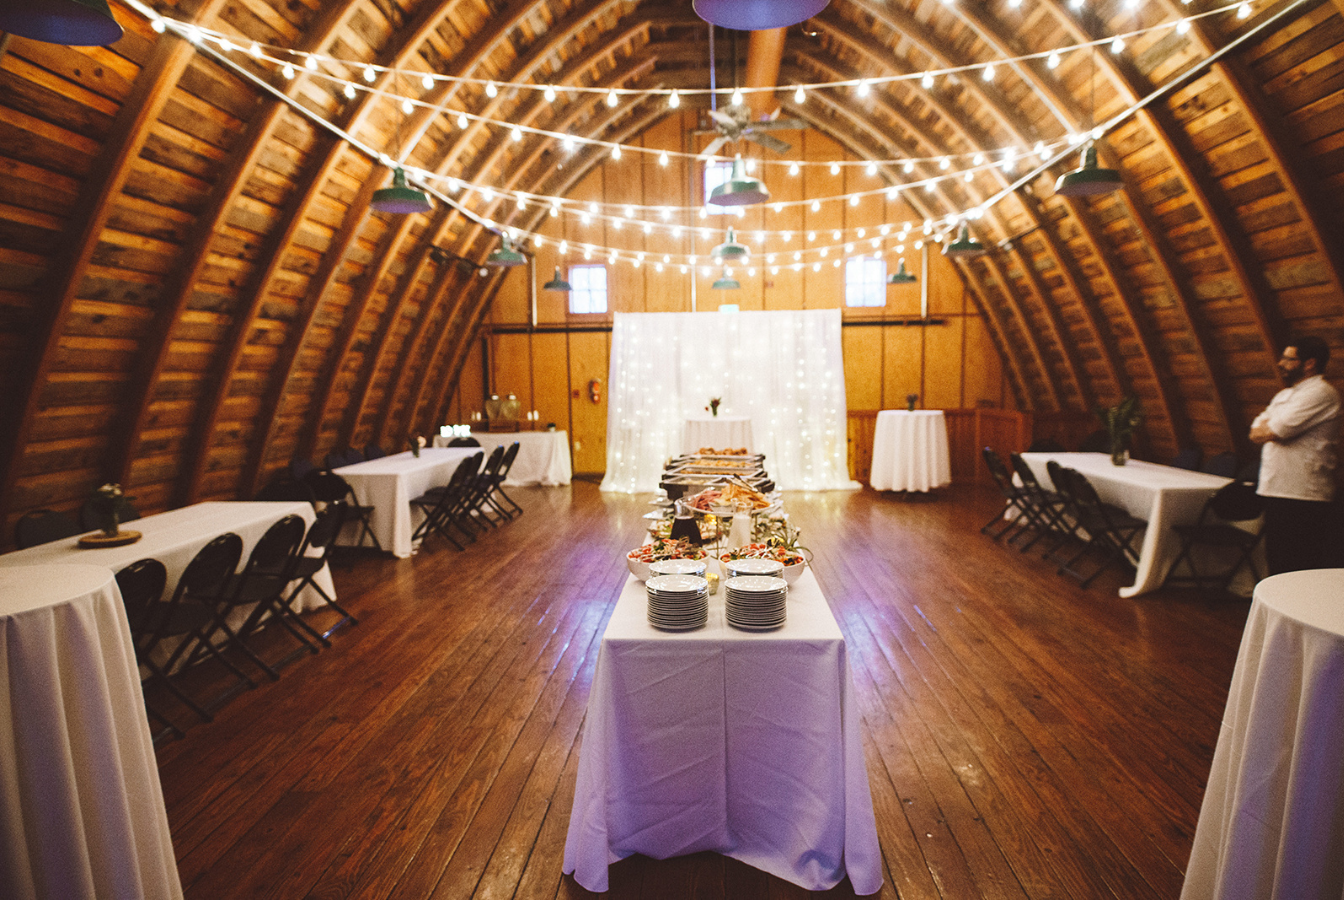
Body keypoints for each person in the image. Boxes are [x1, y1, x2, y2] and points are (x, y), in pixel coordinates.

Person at [1249, 336, 1341, 574]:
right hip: (1277, 488)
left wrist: (1270, 430)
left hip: (1303, 494)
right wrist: (1267, 430)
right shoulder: (1284, 396)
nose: (1281, 363)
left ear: (1309, 363)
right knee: (1276, 560)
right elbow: (1255, 431)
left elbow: (1278, 431)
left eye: (1288, 359)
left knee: (1297, 565)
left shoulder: (1321, 393)